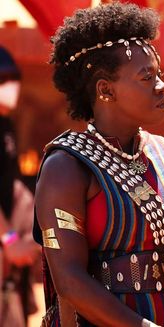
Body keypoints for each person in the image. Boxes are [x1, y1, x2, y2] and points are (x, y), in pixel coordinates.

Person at [34, 3, 164, 327]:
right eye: (146, 76)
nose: (162, 85)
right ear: (106, 90)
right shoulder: (65, 168)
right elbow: (69, 278)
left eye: (158, 74)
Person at [0, 46, 39, 326]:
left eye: (13, 78)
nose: (10, 86)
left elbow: (12, 186)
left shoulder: (6, 126)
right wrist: (10, 240)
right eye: (2, 80)